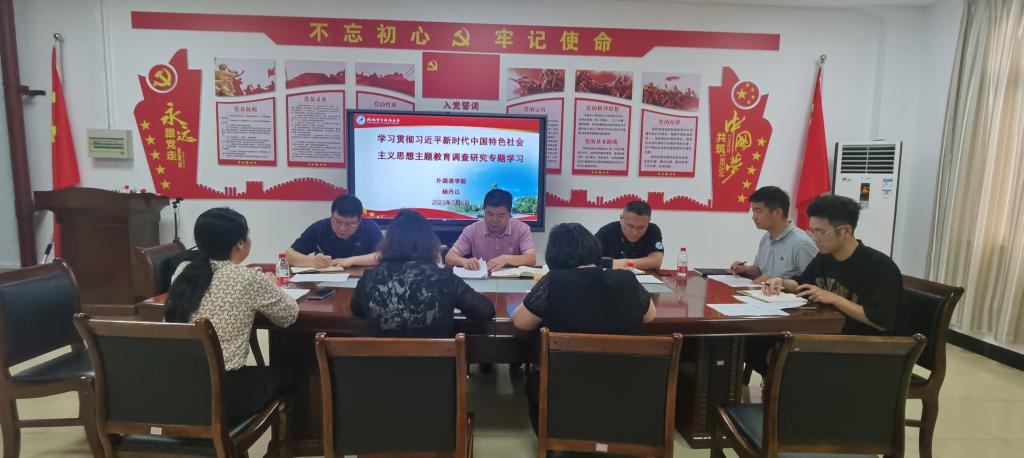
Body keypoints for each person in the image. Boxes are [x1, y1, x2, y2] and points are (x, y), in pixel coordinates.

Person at [512, 223, 657, 435]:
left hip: (565, 388)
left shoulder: (553, 281)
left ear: (554, 254)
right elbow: (650, 316)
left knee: (534, 381)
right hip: (625, 385)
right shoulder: (626, 279)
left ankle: (554, 437)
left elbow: (520, 321)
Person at [165, 207, 298, 425]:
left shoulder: (183, 270)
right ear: (239, 244)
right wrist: (274, 287)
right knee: (292, 371)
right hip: (226, 396)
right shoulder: (247, 278)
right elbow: (289, 316)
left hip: (179, 390)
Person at [764, 195, 904, 335]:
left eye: (821, 232)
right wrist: (782, 282)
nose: (814, 239)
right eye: (812, 232)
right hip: (829, 331)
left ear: (846, 231)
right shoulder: (825, 256)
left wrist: (835, 299)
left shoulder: (880, 267)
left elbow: (881, 322)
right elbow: (803, 284)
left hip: (864, 342)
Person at [352, 209, 496, 337]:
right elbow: (486, 311)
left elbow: (357, 310)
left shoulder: (369, 279)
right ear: (429, 243)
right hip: (437, 360)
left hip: (381, 359)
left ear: (388, 243)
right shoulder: (444, 278)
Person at [730, 186, 818, 282]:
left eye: (758, 211)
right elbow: (760, 270)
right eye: (753, 211)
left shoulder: (802, 244)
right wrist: (745, 269)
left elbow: (815, 284)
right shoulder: (766, 238)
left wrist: (779, 282)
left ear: (778, 212)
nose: (754, 217)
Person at [445, 189, 536, 272]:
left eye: (500, 215)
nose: (494, 220)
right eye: (490, 214)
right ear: (484, 211)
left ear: (509, 214)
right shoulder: (471, 230)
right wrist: (464, 261)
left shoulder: (522, 229)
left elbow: (531, 259)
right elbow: (449, 257)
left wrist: (506, 259)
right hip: (481, 280)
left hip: (512, 280)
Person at [286, 194, 383, 269]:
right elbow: (288, 255)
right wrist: (312, 261)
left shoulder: (369, 227)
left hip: (362, 280)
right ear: (331, 216)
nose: (343, 228)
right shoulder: (320, 228)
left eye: (350, 224)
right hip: (325, 283)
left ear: (359, 221)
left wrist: (350, 261)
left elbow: (383, 255)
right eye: (338, 222)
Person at [594, 200, 665, 270]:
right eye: (630, 226)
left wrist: (621, 263)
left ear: (648, 221)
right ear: (621, 219)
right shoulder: (607, 231)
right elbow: (589, 260)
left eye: (641, 227)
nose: (635, 232)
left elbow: (656, 261)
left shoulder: (653, 230)